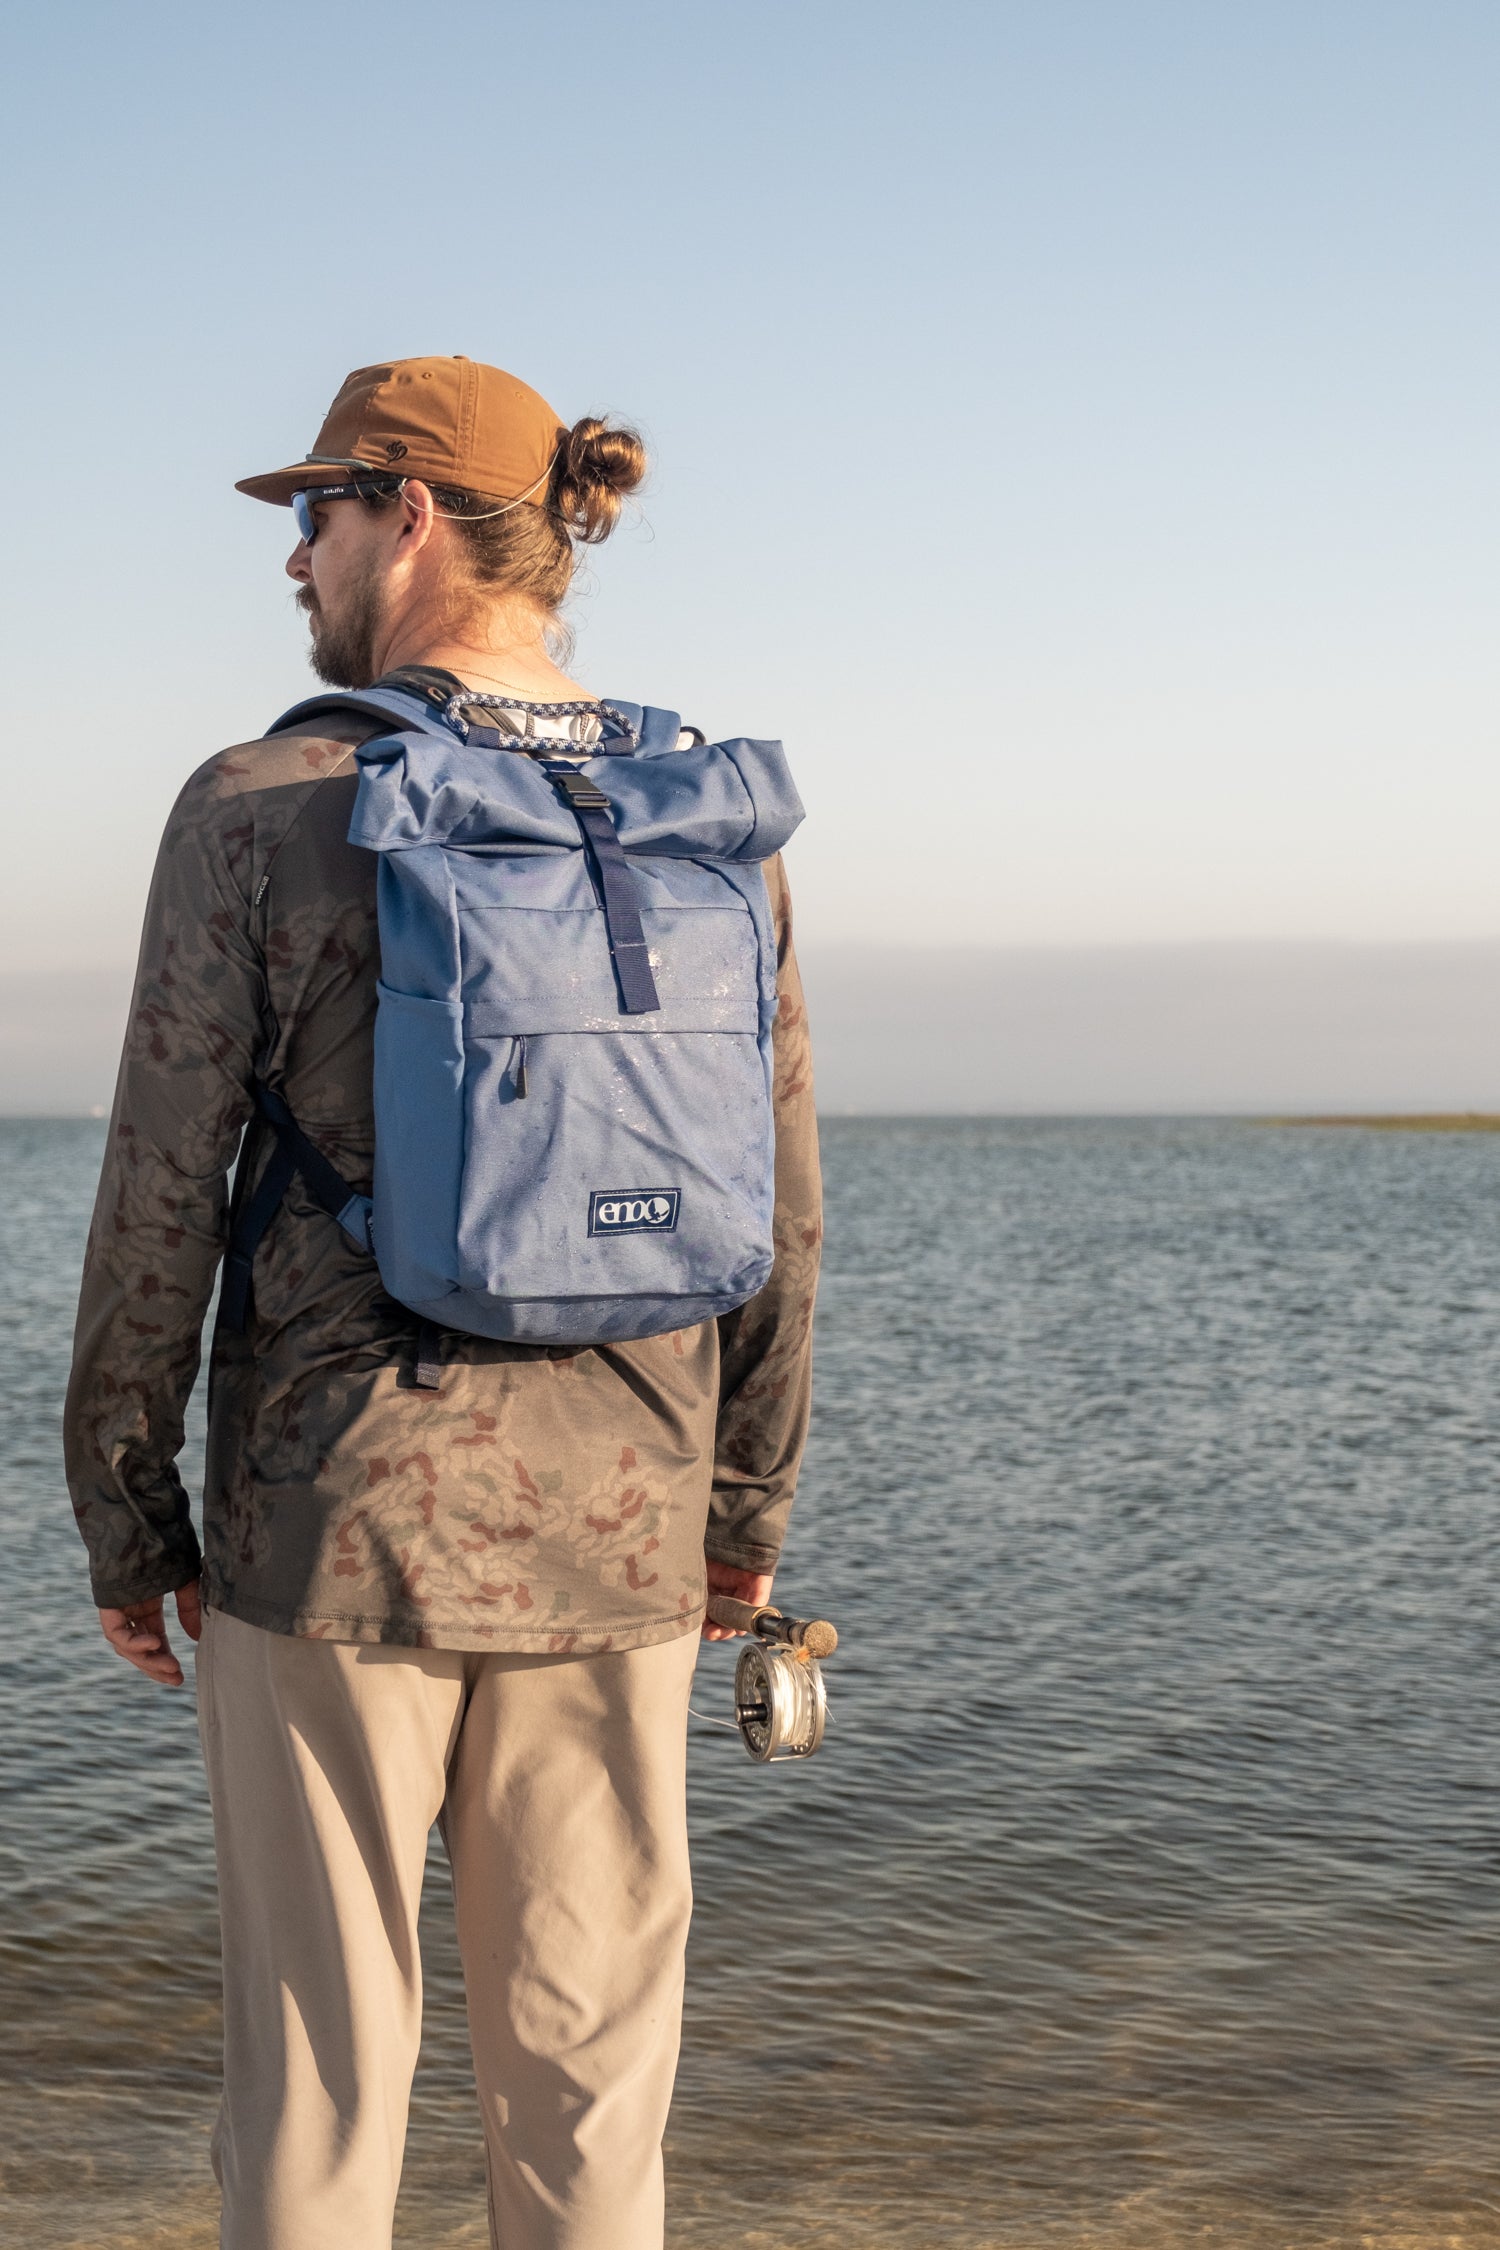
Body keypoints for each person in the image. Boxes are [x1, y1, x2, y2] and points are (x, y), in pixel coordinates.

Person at [62, 354, 822, 2250]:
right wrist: (744, 1520)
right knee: (586, 2103)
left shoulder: (263, 803)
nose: (293, 556)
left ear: (407, 515)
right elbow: (784, 1213)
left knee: (320, 2091)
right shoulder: (703, 819)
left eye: (315, 508)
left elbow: (158, 1187)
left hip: (338, 1532)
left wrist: (123, 1507)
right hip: (629, 1526)